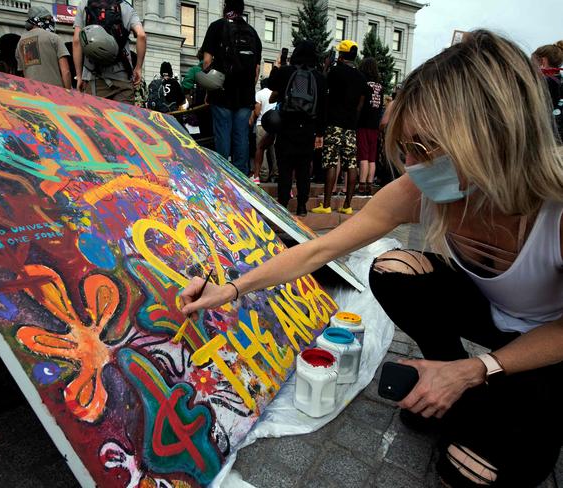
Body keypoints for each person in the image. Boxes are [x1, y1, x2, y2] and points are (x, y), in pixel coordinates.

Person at [181, 30, 563, 488]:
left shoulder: (555, 209)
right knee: (393, 270)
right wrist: (232, 288)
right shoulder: (420, 190)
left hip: (549, 341)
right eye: (406, 148)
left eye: (425, 148)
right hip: (488, 316)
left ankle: (468, 384)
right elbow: (320, 249)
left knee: (468, 473)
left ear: (491, 135)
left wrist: (478, 368)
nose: (412, 164)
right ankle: (448, 382)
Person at [200, 0, 262, 175]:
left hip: (221, 92)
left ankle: (222, 176)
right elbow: (256, 70)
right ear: (242, 10)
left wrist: (208, 90)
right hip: (244, 95)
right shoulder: (253, 33)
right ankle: (241, 178)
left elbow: (206, 62)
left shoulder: (216, 27)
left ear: (225, 6)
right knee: (241, 136)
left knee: (222, 135)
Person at [268, 40, 326, 216]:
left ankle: (283, 202)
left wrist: (278, 66)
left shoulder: (287, 72)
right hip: (308, 129)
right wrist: (320, 132)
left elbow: (270, 84)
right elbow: (323, 107)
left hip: (286, 126)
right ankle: (302, 205)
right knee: (303, 169)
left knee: (285, 168)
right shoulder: (319, 78)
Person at [311, 40, 368, 215]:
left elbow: (323, 93)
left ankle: (327, 205)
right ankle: (347, 205)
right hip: (350, 128)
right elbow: (360, 105)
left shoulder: (334, 72)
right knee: (351, 164)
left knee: (331, 163)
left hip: (333, 125)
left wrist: (326, 67)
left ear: (341, 55)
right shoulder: (361, 77)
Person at [73, 0, 147, 103]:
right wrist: (138, 68)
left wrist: (79, 76)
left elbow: (77, 41)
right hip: (123, 80)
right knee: (123, 118)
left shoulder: (85, 4)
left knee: (96, 118)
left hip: (94, 80)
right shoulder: (126, 7)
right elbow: (141, 36)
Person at [16, 7, 71, 89]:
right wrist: (68, 93)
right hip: (55, 93)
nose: (51, 22)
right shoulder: (54, 38)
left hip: (33, 93)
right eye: (48, 19)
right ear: (38, 20)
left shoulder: (20, 42)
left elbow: (23, 72)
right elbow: (66, 72)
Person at [355, 57, 383, 197]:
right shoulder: (380, 86)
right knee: (372, 157)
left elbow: (360, 105)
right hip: (375, 125)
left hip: (364, 124)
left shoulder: (364, 84)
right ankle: (369, 186)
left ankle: (361, 186)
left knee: (363, 155)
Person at [533, 41, 563, 142]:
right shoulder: (558, 80)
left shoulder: (546, 82)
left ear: (543, 62)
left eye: (532, 63)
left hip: (549, 137)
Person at [249, 77, 277, 184]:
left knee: (261, 150)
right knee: (274, 150)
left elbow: (257, 111)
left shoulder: (259, 94)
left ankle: (263, 174)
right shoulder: (274, 93)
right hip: (274, 124)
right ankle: (276, 173)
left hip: (262, 124)